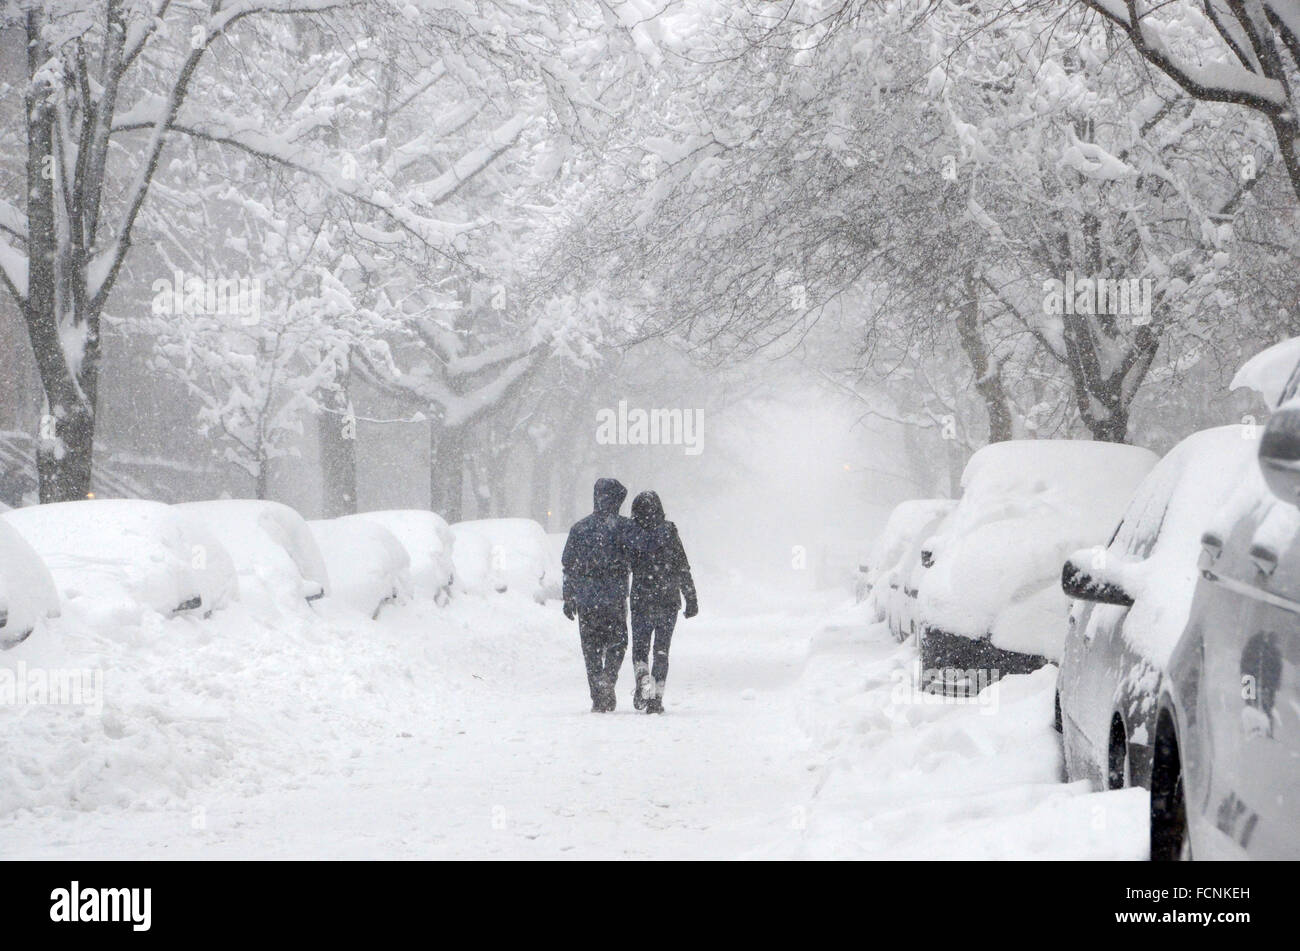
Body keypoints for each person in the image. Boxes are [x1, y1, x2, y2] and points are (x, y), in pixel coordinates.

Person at [561, 478, 634, 712]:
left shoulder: (580, 529)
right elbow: (638, 557)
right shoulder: (625, 527)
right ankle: (608, 678)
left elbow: (568, 565)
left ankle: (598, 693)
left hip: (586, 599)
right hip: (614, 597)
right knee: (618, 642)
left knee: (590, 648)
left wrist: (569, 596)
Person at [627, 490, 697, 714]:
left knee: (640, 649)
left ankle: (643, 678)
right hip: (667, 599)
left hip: (641, 599)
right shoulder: (669, 531)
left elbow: (623, 565)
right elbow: (682, 566)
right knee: (661, 650)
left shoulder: (631, 533)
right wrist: (691, 597)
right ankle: (656, 697)